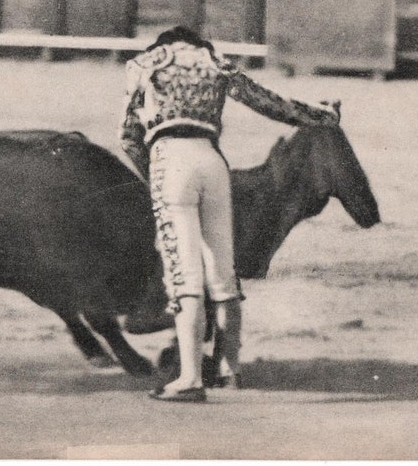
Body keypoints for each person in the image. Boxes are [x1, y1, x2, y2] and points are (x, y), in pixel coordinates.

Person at [120, 26, 340, 403]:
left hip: (170, 161)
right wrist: (322, 116)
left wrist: (153, 176)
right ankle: (229, 369)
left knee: (183, 275)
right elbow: (272, 104)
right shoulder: (217, 62)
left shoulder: (143, 64)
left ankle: (189, 378)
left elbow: (127, 136)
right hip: (212, 162)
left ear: (164, 44)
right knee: (223, 274)